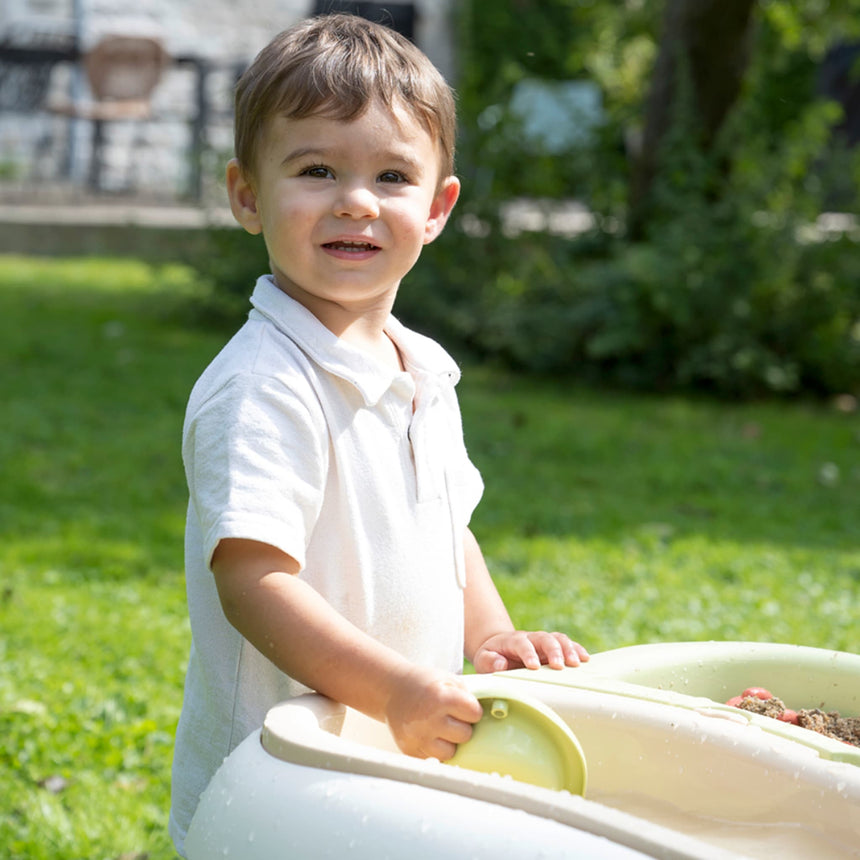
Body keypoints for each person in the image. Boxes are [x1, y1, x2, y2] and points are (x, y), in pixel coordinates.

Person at [169, 12, 589, 856]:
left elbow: (448, 530)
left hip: (386, 767)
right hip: (276, 786)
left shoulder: (424, 369)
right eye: (316, 169)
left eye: (392, 176)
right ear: (247, 195)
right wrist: (394, 691)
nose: (356, 200)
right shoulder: (264, 387)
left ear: (436, 208)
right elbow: (254, 582)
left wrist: (491, 638)